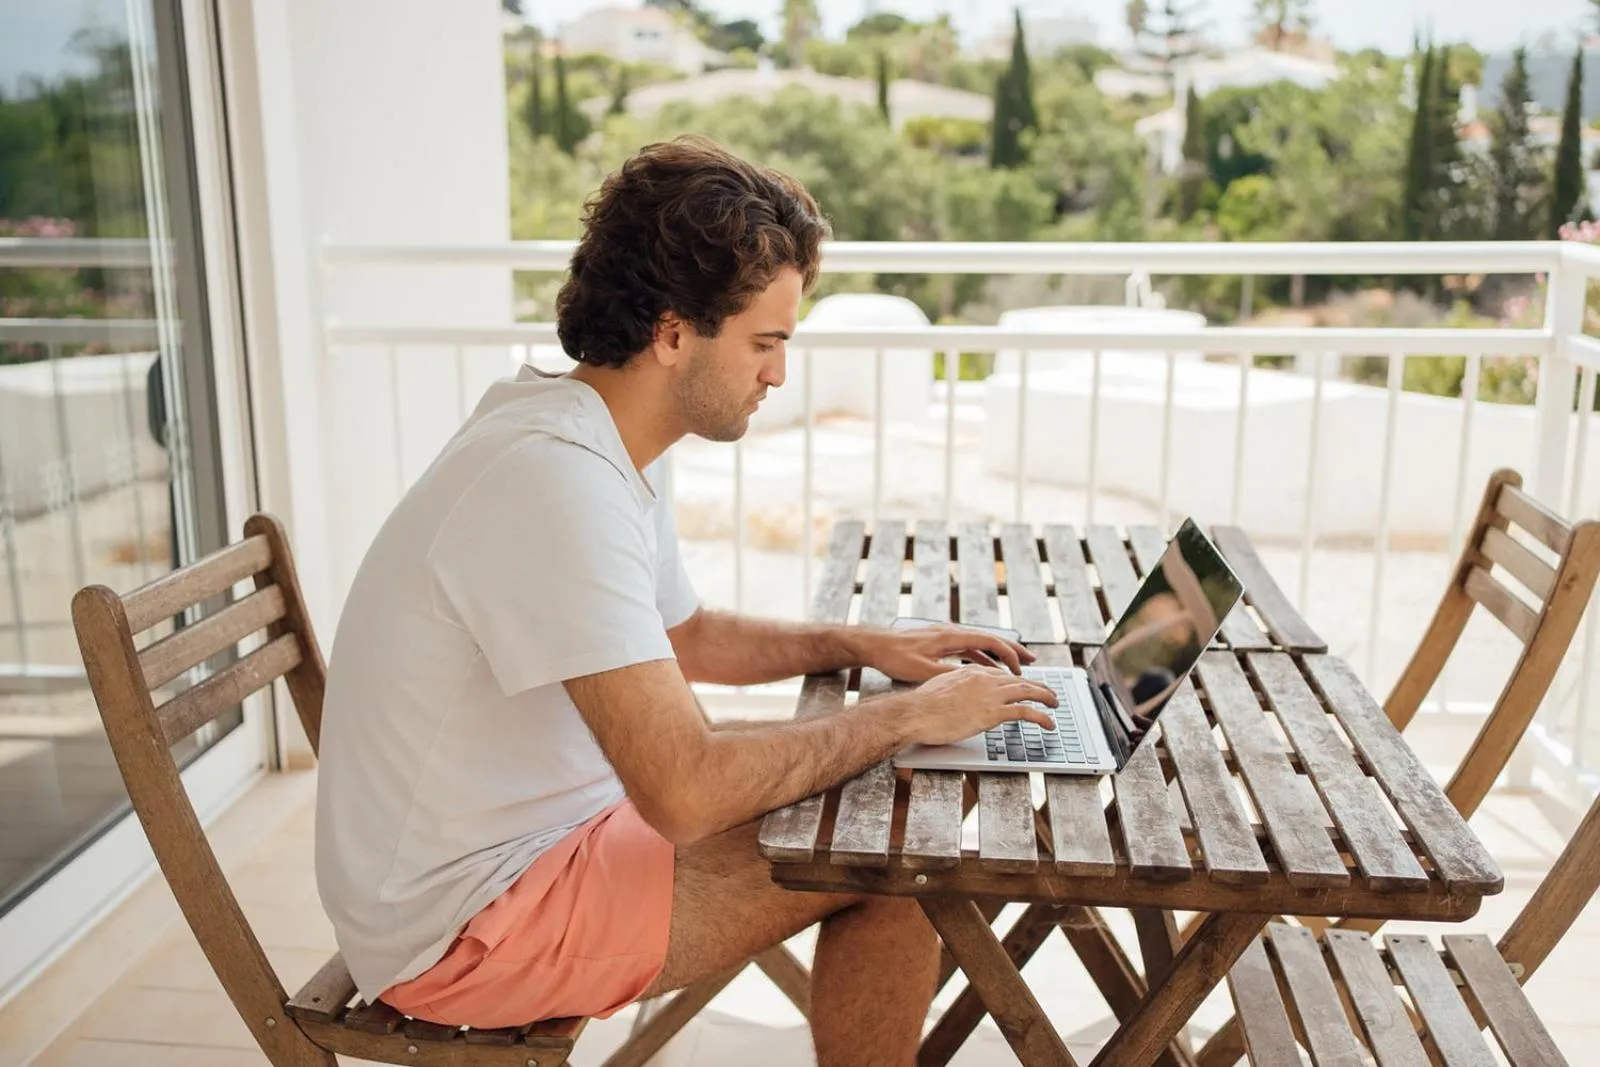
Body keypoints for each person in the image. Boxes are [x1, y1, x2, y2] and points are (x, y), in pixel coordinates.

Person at [313, 134, 1058, 1067]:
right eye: (765, 342)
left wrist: (862, 644)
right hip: (469, 929)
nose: (779, 374)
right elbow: (684, 791)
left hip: (541, 847)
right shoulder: (553, 484)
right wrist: (909, 716)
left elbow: (688, 634)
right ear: (672, 333)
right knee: (893, 853)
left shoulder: (584, 434)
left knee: (883, 803)